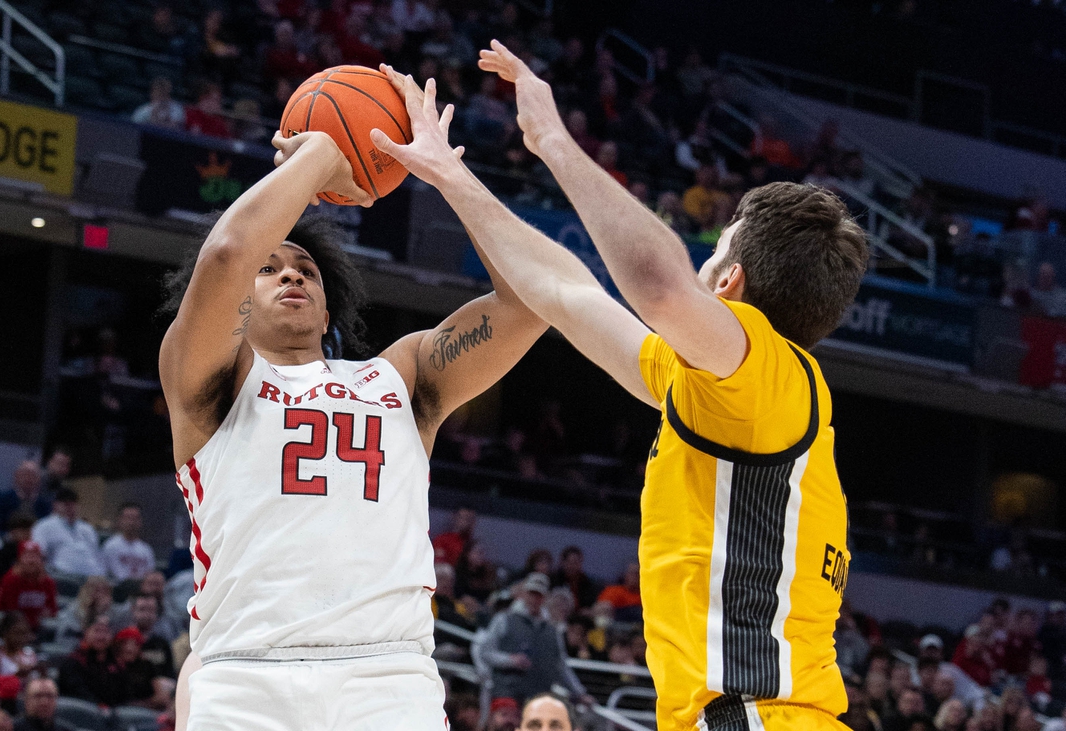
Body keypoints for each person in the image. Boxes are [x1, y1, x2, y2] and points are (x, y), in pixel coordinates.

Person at [370, 44, 868, 731]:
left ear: (729, 285)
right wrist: (451, 175)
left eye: (712, 254)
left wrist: (553, 142)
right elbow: (565, 293)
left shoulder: (768, 376)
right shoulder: (727, 396)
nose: (698, 267)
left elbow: (659, 289)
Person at [159, 87, 547, 727]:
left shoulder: (399, 375)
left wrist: (450, 178)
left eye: (306, 270)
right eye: (270, 268)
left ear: (326, 309)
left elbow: (534, 300)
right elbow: (227, 254)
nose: (292, 275)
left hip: (388, 675)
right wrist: (317, 155)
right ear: (237, 304)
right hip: (246, 674)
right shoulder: (208, 378)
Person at [476, 573, 592, 706]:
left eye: (539, 595)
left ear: (545, 599)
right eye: (531, 594)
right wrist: (509, 660)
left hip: (536, 700)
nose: (534, 599)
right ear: (524, 594)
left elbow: (560, 666)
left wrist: (580, 693)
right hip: (506, 696)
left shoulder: (552, 630)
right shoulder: (503, 619)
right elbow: (485, 652)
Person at [30, 489, 104, 578]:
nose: (70, 507)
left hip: (92, 575)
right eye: (65, 503)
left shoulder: (87, 528)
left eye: (73, 503)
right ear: (55, 505)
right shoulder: (43, 526)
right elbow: (40, 554)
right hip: (62, 576)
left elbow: (96, 556)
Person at [0, 542, 57, 631]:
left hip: (40, 629)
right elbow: (11, 612)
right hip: (13, 629)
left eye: (35, 556)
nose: (31, 561)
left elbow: (52, 612)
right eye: (27, 556)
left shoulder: (48, 582)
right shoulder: (11, 580)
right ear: (19, 560)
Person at [0, 463, 51, 535]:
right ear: (16, 477)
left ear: (39, 479)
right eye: (25, 475)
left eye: (33, 475)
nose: (28, 479)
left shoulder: (45, 504)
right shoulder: (2, 499)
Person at [101, 504, 155, 585]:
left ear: (140, 521)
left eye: (135, 518)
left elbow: (149, 573)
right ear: (120, 520)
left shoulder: (146, 549)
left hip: (140, 589)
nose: (131, 522)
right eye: (128, 518)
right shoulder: (110, 546)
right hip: (117, 588)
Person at [550, 547, 598, 612]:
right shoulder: (553, 580)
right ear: (563, 562)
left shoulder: (587, 582)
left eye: (576, 562)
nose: (572, 566)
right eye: (570, 562)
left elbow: (590, 603)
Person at [0, 514, 34, 579]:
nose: (27, 533)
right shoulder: (2, 554)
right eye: (23, 530)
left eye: (29, 530)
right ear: (12, 532)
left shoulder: (35, 552)